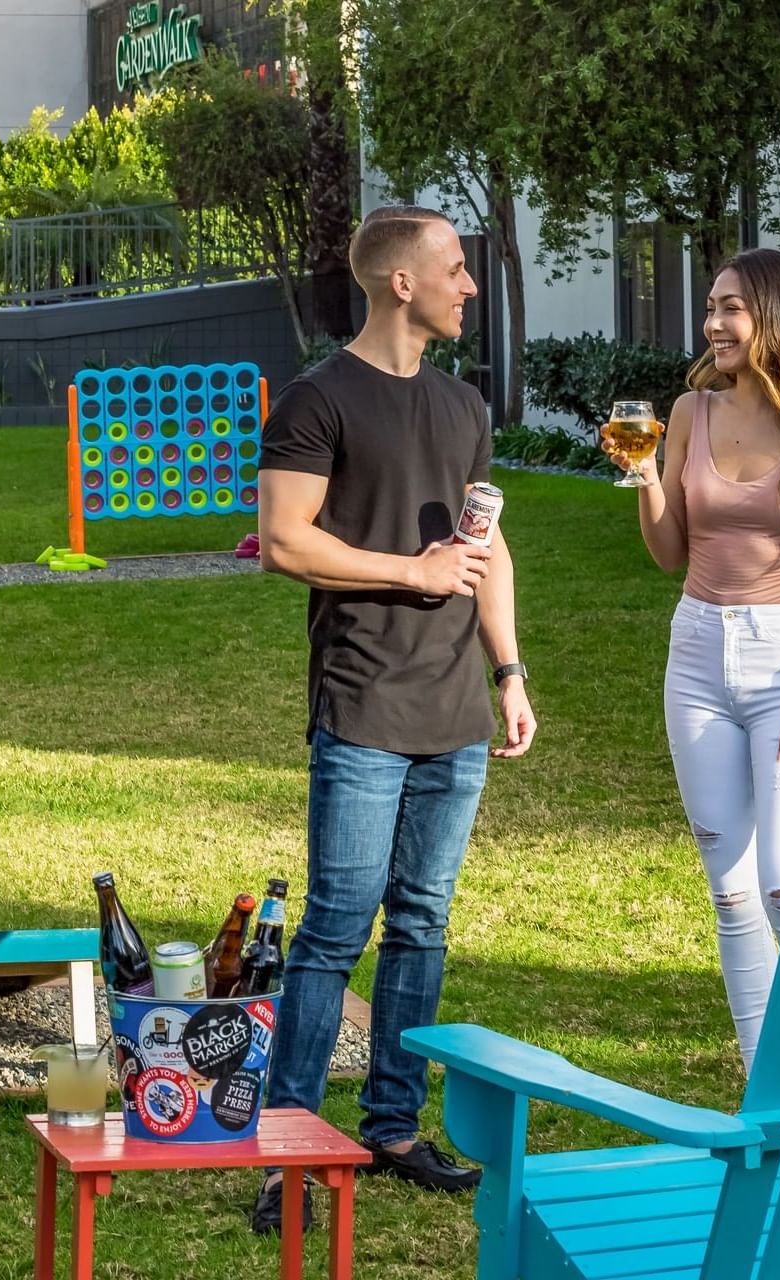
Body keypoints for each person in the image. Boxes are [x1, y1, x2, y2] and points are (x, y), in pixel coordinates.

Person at [253, 205, 537, 1233]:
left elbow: (487, 544)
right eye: (455, 269)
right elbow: (284, 539)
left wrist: (508, 669)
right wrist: (407, 571)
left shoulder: (464, 405)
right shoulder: (317, 400)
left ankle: (392, 1127)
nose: (470, 285)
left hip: (457, 707)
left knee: (423, 921)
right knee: (336, 928)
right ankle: (287, 1148)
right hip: (366, 701)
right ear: (400, 283)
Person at [611, 247, 780, 1073]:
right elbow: (667, 553)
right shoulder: (690, 413)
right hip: (695, 654)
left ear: (776, 315)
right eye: (709, 309)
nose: (712, 324)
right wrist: (642, 477)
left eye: (730, 308)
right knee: (729, 892)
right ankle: (767, 1078)